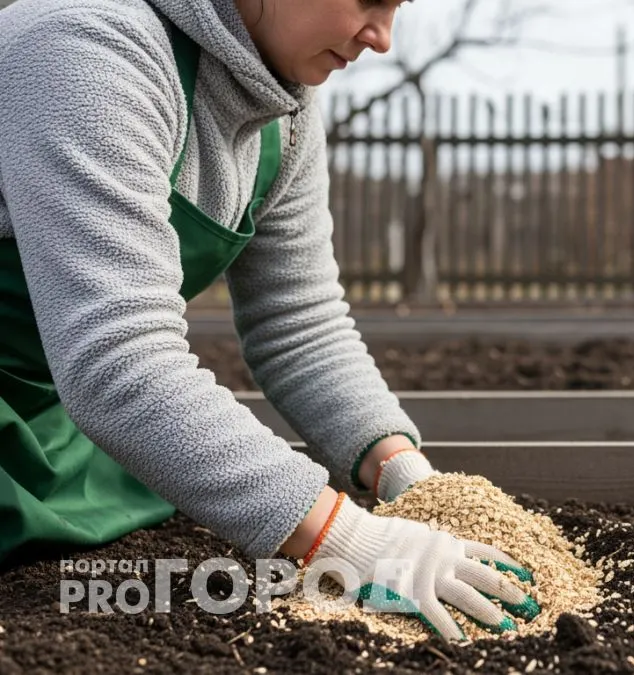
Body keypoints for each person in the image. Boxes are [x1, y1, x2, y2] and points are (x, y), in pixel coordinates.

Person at [0, 0, 540, 640]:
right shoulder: (80, 49)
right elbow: (118, 359)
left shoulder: (283, 108)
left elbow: (300, 325)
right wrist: (352, 541)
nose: (384, 38)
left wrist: (405, 475)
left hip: (57, 425)